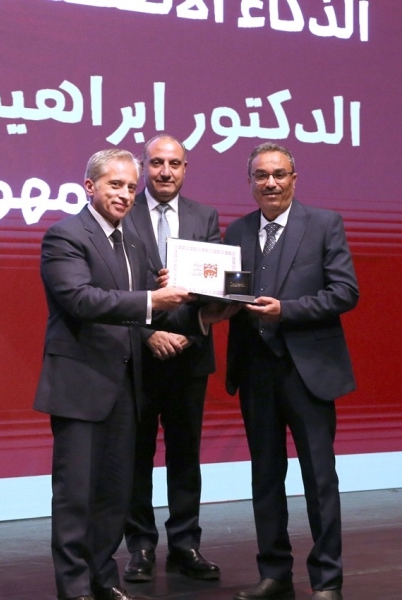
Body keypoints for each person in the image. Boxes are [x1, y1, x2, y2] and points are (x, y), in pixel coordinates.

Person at [34, 148, 235, 600]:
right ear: (90, 187)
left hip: (128, 385)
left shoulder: (133, 244)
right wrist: (153, 300)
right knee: (76, 495)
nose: (125, 194)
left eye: (129, 186)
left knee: (115, 493)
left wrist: (207, 313)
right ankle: (74, 588)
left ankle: (104, 579)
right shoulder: (65, 235)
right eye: (115, 185)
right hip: (81, 386)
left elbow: (156, 310)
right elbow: (81, 300)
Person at [224, 142, 358, 600]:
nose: (271, 183)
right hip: (255, 370)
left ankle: (327, 580)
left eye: (279, 174)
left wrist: (288, 310)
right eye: (261, 176)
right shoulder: (237, 231)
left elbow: (345, 292)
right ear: (250, 183)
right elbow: (229, 293)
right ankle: (275, 573)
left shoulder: (323, 224)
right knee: (265, 476)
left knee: (319, 478)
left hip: (308, 371)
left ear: (294, 179)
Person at [121, 135, 222, 582]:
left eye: (174, 164)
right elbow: (113, 286)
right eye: (157, 163)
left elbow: (217, 286)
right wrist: (147, 334)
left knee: (185, 457)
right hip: (138, 355)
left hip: (189, 354)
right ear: (144, 166)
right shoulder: (123, 211)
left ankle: (186, 544)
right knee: (136, 455)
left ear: (185, 168)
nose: (165, 172)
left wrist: (187, 332)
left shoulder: (205, 216)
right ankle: (140, 546)